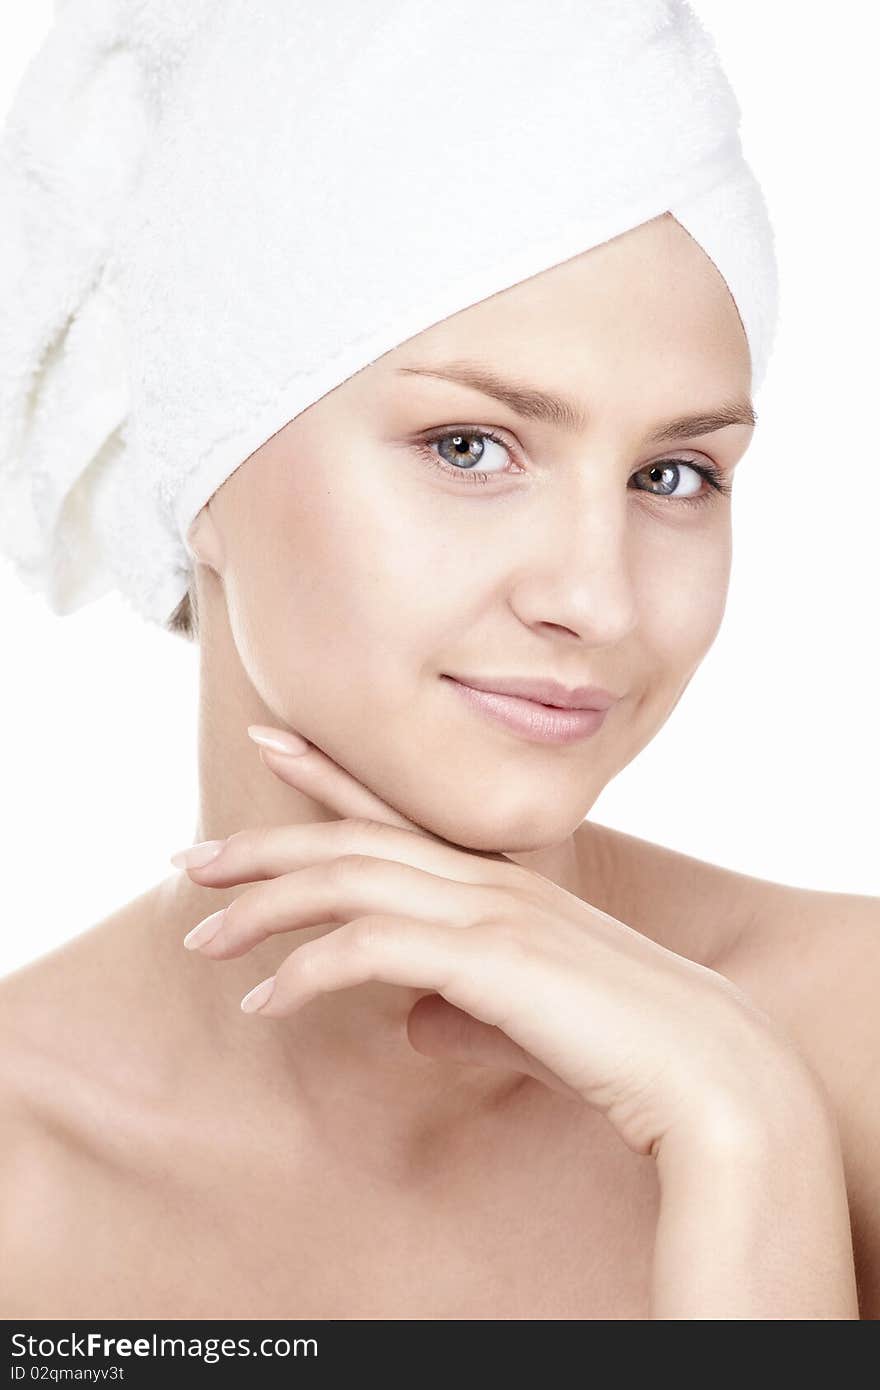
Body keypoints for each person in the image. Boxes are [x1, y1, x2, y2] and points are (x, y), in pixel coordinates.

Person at [0, 2, 877, 1320]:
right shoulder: (26, 1174)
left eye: (674, 472)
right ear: (202, 472)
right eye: (470, 446)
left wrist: (748, 1137)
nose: (596, 596)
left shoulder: (845, 1041)